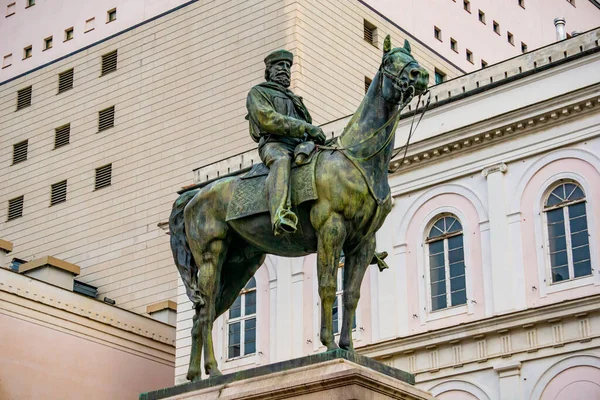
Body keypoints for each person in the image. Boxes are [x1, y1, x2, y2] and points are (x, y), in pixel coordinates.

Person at [246, 50, 326, 236]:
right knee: (281, 161)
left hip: (299, 145)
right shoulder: (259, 92)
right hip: (275, 145)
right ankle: (280, 214)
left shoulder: (295, 99)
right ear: (269, 70)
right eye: (279, 66)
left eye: (288, 66)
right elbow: (269, 119)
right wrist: (306, 128)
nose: (285, 69)